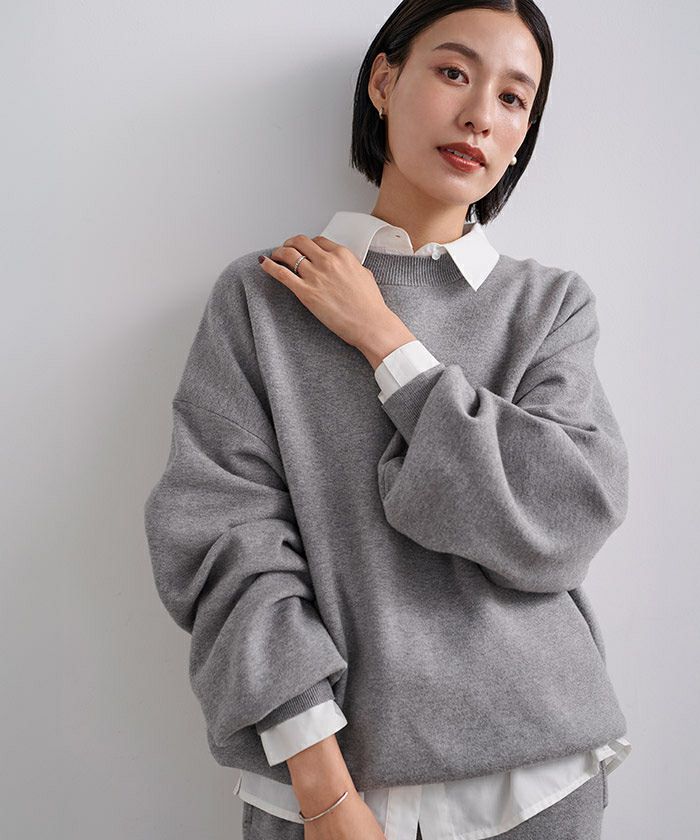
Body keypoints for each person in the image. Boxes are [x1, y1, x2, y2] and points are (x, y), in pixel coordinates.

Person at [143, 2, 632, 838]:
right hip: (323, 788)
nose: (480, 114)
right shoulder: (262, 300)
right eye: (453, 72)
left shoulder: (549, 307)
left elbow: (564, 521)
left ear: (524, 134)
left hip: (538, 781)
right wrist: (325, 791)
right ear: (383, 80)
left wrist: (385, 340)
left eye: (513, 98)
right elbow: (223, 543)